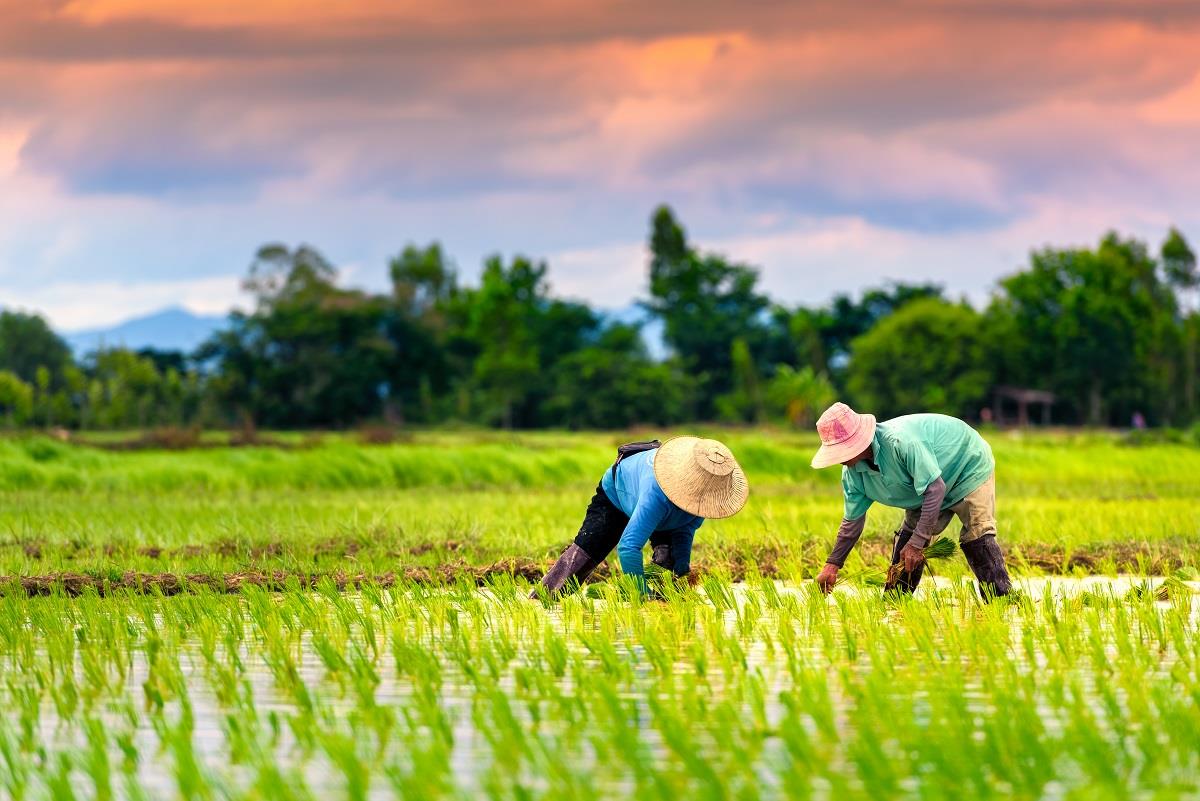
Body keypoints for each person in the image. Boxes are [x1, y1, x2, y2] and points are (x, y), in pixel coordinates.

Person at [810, 402, 1012, 598]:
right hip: (927, 489)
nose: (839, 458)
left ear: (859, 442)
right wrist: (832, 566)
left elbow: (935, 488)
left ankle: (1002, 602)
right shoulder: (852, 475)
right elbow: (852, 523)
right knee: (906, 546)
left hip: (966, 465)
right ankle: (894, 606)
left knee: (977, 535)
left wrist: (917, 543)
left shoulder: (901, 443)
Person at [534, 437, 749, 597]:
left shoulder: (702, 503)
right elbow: (628, 547)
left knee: (669, 565)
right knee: (581, 559)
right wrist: (642, 594)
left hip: (663, 510)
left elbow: (684, 533)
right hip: (617, 495)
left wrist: (681, 574)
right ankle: (540, 600)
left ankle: (660, 614)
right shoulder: (656, 496)